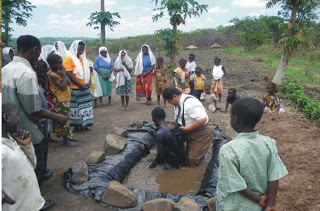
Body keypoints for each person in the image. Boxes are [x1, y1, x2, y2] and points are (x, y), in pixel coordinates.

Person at [2, 35, 67, 187]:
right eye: (38, 53)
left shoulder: (6, 69)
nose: (39, 57)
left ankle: (41, 175)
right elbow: (34, 110)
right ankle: (38, 193)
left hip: (10, 123)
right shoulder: (26, 73)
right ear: (35, 50)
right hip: (27, 125)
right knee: (37, 156)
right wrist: (57, 116)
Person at [215, 98, 288, 210]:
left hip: (236, 206)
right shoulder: (269, 143)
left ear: (235, 119)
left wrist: (258, 199)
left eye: (230, 117)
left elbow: (235, 183)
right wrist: (270, 204)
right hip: (260, 206)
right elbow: (274, 175)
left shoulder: (228, 149)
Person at [2, 100, 55, 211]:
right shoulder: (2, 149)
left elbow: (31, 165)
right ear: (6, 118)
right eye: (17, 114)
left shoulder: (10, 139)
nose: (19, 118)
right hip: (19, 206)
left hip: (30, 202)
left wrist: (26, 146)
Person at [163, 87, 214, 167]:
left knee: (192, 161)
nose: (170, 103)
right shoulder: (177, 104)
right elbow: (178, 118)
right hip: (190, 130)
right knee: (186, 155)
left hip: (202, 132)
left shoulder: (190, 103)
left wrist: (187, 129)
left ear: (175, 96)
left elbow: (202, 119)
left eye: (169, 101)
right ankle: (199, 155)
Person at [48, 54, 79, 147]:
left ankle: (68, 137)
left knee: (67, 119)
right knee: (63, 120)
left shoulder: (59, 73)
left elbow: (69, 83)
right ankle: (65, 140)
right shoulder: (52, 75)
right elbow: (62, 87)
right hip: (59, 100)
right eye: (58, 63)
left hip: (65, 99)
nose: (61, 65)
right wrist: (64, 75)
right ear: (52, 64)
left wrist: (64, 75)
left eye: (61, 62)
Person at [63, 40, 93, 131]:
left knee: (85, 107)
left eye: (82, 49)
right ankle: (77, 126)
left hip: (84, 87)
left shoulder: (82, 59)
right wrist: (79, 84)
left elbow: (87, 71)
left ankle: (85, 124)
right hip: (74, 88)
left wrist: (89, 81)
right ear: (74, 48)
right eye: (79, 49)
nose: (81, 51)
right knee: (75, 109)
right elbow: (68, 73)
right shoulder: (68, 59)